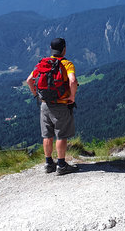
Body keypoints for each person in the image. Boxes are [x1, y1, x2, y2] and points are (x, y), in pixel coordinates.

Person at [26, 37, 79, 175]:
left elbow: (29, 80)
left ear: (51, 49)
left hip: (45, 105)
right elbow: (72, 81)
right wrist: (72, 97)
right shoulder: (67, 64)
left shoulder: (44, 63)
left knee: (47, 135)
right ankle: (61, 165)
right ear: (64, 49)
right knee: (61, 135)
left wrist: (37, 94)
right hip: (61, 105)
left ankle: (49, 164)